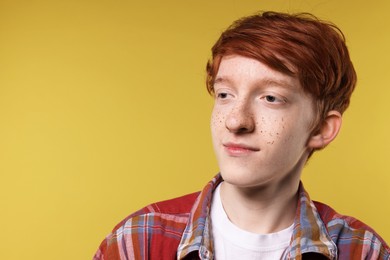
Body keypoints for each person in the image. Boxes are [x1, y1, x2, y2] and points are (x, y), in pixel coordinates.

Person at [94, 11, 390, 260]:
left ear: (322, 129)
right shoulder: (139, 240)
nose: (236, 121)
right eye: (225, 94)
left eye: (271, 98)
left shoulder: (362, 251)